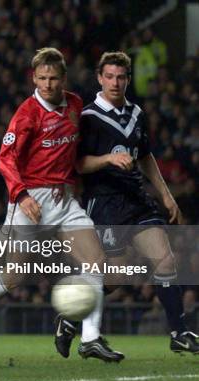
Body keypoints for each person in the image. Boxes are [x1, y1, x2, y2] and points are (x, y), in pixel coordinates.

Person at [0, 47, 112, 359]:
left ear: (64, 79)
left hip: (64, 199)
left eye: (53, 78)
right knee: (13, 275)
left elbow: (71, 151)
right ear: (34, 78)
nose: (47, 84)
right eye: (42, 78)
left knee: (95, 259)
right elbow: (5, 160)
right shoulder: (27, 115)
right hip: (31, 200)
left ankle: (91, 339)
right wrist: (21, 195)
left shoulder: (74, 104)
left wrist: (67, 179)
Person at [54, 51, 199, 360]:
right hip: (105, 203)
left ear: (128, 79)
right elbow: (78, 164)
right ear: (99, 78)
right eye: (109, 76)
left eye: (121, 77)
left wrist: (165, 194)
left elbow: (145, 156)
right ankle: (71, 317)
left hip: (137, 200)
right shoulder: (89, 117)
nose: (115, 82)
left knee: (165, 259)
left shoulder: (136, 113)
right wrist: (108, 158)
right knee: (116, 276)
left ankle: (178, 333)